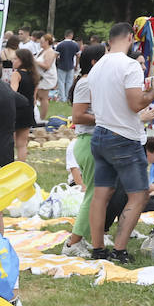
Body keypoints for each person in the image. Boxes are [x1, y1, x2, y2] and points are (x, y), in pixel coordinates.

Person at [86, 22, 154, 264]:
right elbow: (135, 104)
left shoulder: (98, 65)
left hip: (100, 133)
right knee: (139, 195)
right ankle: (119, 250)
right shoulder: (129, 65)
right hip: (123, 137)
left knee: (101, 194)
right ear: (131, 38)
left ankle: (98, 249)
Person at [59, 45, 108, 257]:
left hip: (94, 140)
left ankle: (84, 239)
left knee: (98, 194)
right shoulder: (86, 83)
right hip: (88, 142)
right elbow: (78, 116)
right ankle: (72, 243)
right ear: (95, 63)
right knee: (94, 195)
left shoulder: (93, 82)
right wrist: (107, 117)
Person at [9, 48, 38, 162]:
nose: (13, 61)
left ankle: (8, 164)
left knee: (10, 141)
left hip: (16, 110)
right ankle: (21, 166)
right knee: (22, 143)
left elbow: (12, 93)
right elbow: (34, 97)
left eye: (15, 59)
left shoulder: (16, 74)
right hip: (28, 110)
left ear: (22, 60)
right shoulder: (34, 75)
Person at [35, 34, 58, 122]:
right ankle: (35, 116)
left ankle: (42, 118)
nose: (40, 43)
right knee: (35, 96)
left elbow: (47, 65)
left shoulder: (50, 52)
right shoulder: (41, 51)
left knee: (43, 97)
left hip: (46, 77)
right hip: (39, 76)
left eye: (42, 41)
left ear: (47, 42)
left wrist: (35, 61)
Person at [55, 31, 80, 101]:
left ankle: (62, 98)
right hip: (71, 65)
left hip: (61, 65)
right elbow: (78, 55)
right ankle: (68, 96)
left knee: (61, 82)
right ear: (71, 35)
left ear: (65, 35)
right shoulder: (75, 45)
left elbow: (56, 55)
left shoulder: (60, 44)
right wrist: (76, 65)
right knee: (69, 82)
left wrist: (57, 62)